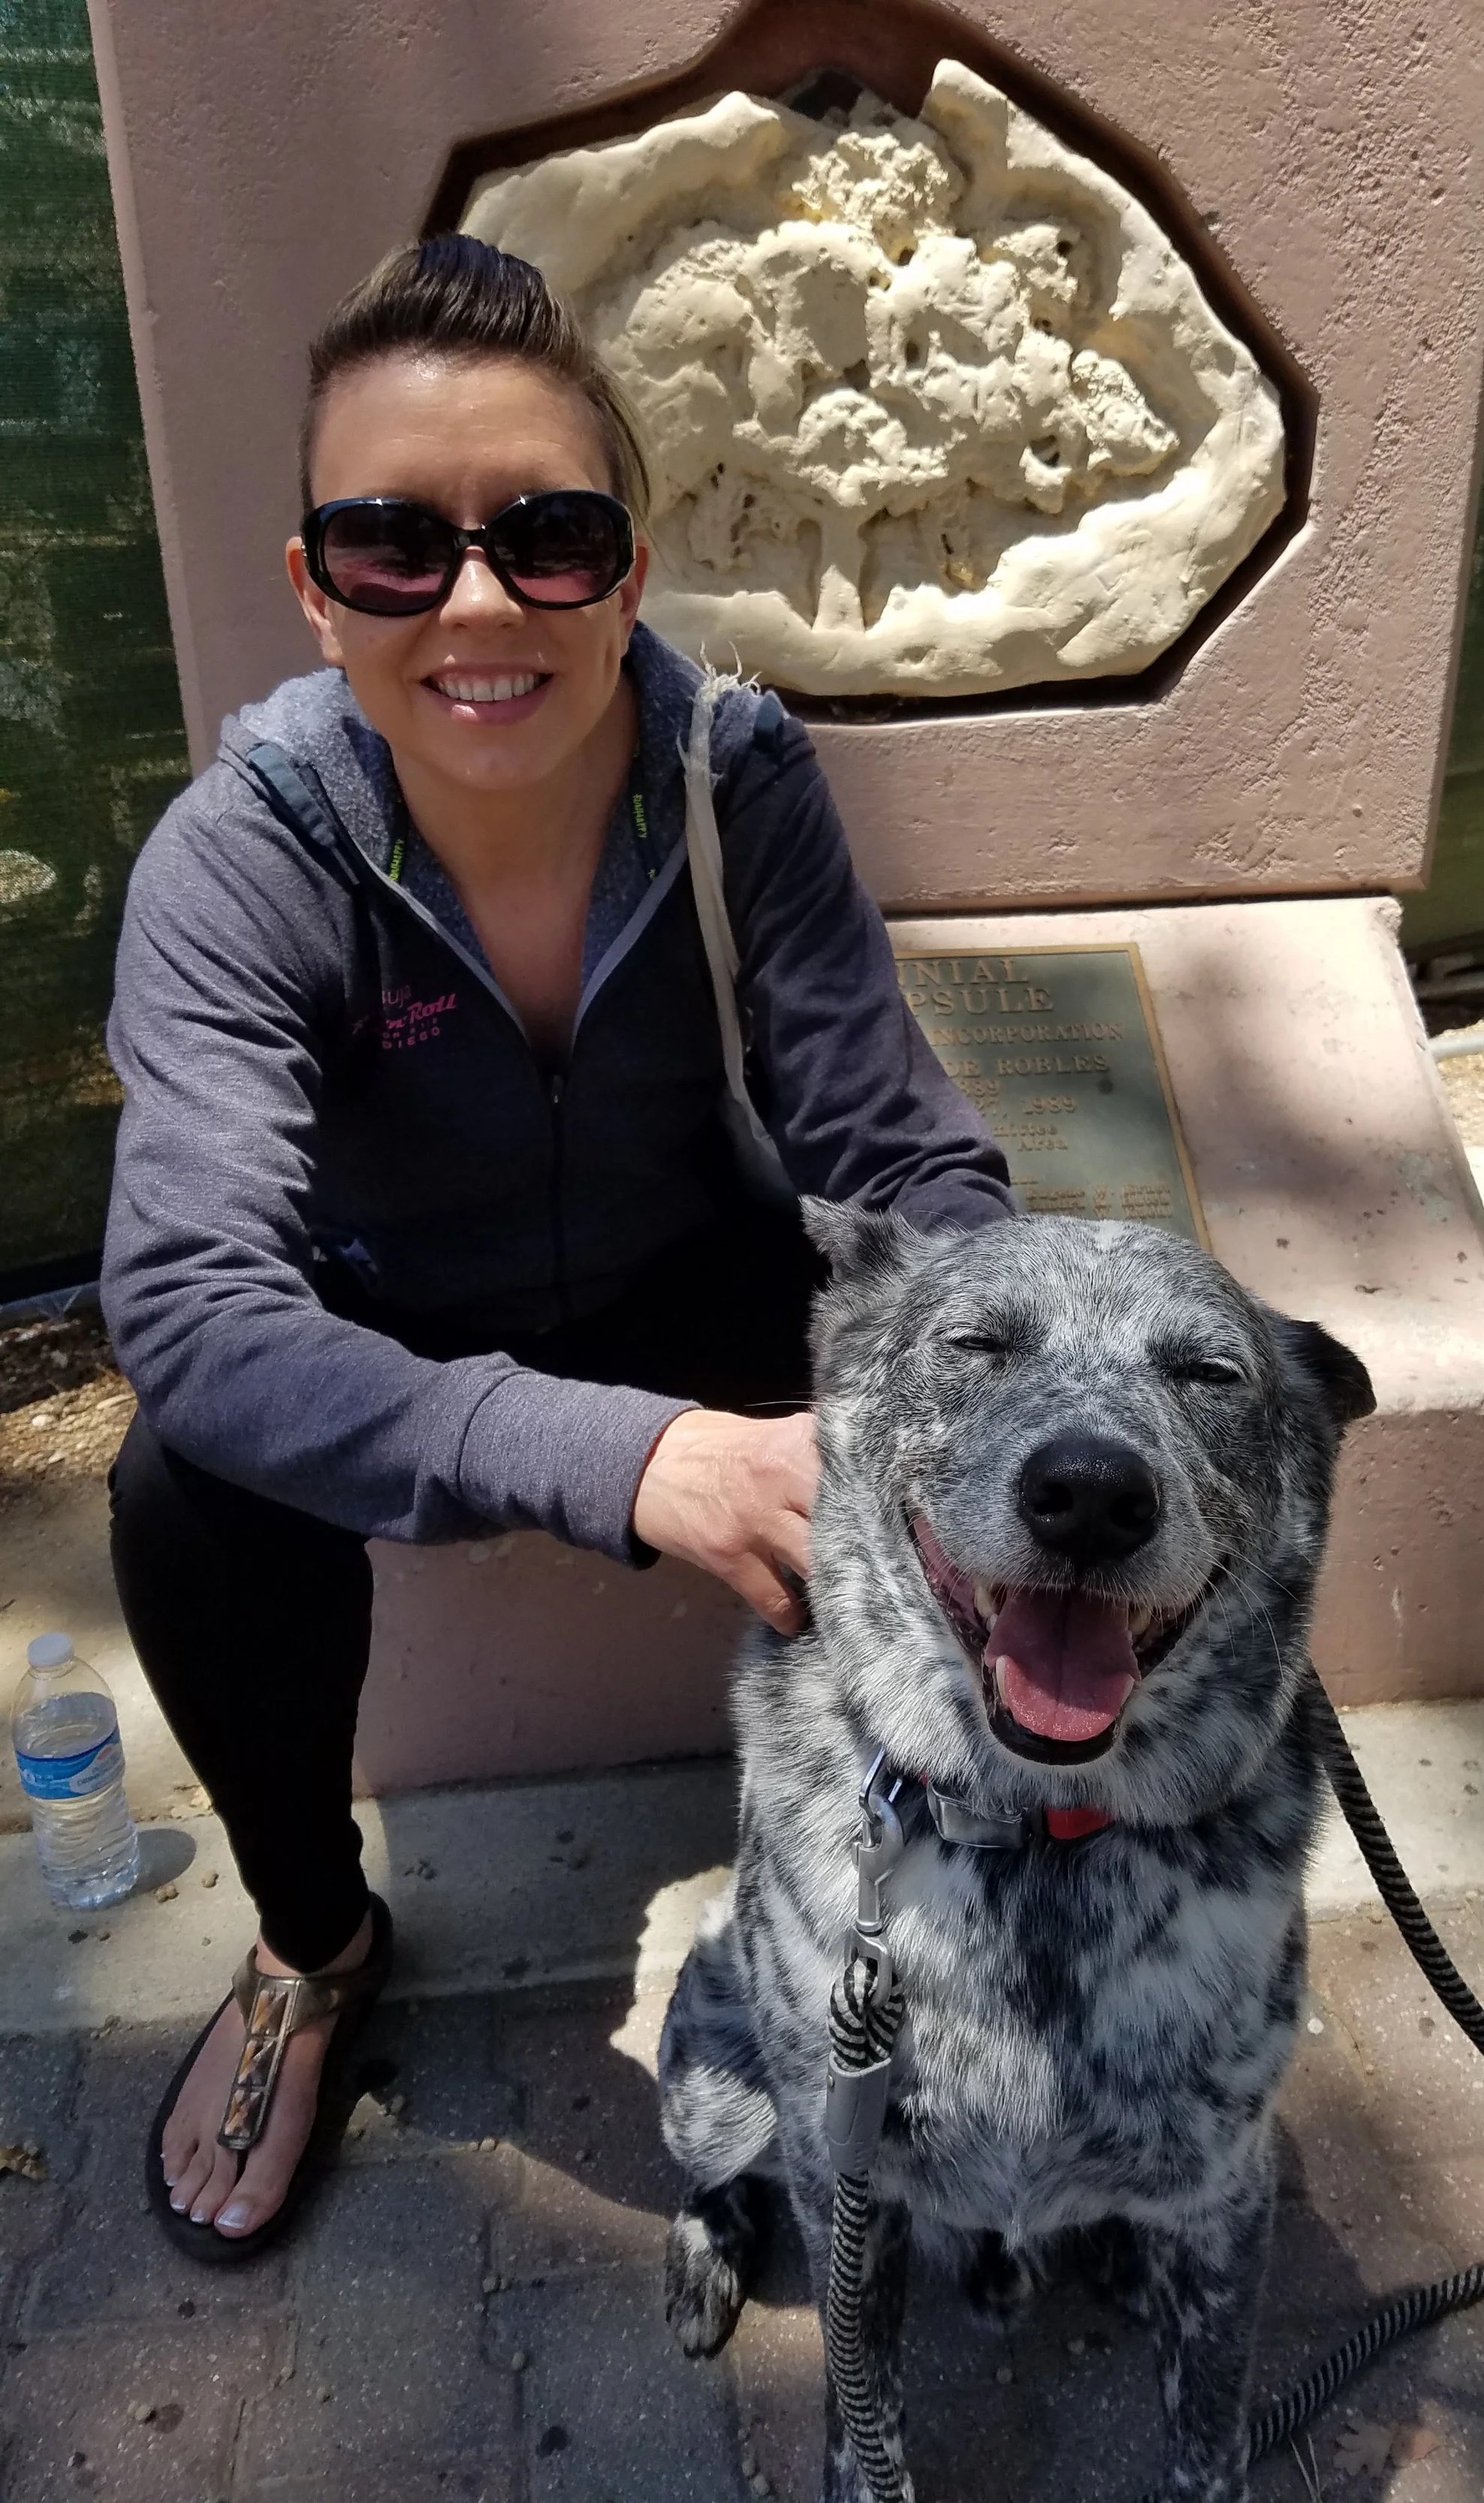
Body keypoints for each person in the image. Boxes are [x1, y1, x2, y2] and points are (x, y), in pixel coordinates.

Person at [101, 234, 1011, 2260]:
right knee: (184, 1487)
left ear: (628, 559)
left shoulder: (735, 778)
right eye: (393, 543)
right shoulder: (241, 860)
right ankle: (314, 1946)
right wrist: (627, 1459)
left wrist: (982, 1367)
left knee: (974, 1376)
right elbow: (187, 1301)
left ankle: (934, 1901)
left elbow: (889, 1141)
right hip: (390, 1312)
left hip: (686, 1261)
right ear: (314, 588)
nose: (480, 601)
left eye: (549, 532)